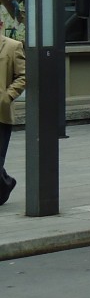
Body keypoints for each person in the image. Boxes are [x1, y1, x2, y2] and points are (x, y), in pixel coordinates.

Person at [0, 35, 25, 205]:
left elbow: (23, 76)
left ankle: (6, 184)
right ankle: (5, 184)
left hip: (1, 114)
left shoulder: (12, 46)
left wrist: (7, 97)